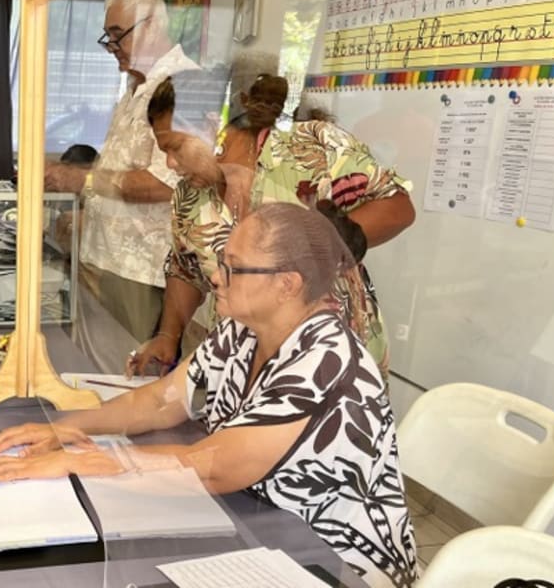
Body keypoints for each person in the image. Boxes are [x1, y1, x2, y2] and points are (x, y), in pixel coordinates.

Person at [0, 203, 419, 588]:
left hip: (332, 563)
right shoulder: (241, 329)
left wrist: (81, 462)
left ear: (287, 284)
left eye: (233, 266)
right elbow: (161, 401)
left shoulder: (327, 361)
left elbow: (213, 468)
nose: (215, 275)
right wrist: (63, 428)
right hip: (254, 529)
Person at [129, 74, 415, 379]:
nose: (171, 164)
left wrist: (322, 243)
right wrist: (168, 337)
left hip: (327, 360)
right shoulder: (190, 195)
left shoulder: (310, 148)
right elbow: (185, 268)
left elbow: (397, 206)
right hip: (240, 366)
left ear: (212, 126)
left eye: (175, 147)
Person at [44, 0, 200, 351]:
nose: (112, 48)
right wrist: (83, 206)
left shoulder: (183, 84)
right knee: (91, 366)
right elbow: (118, 165)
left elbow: (166, 184)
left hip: (140, 269)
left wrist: (82, 180)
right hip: (102, 255)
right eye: (108, 38)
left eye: (119, 36)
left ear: (153, 26)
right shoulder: (134, 85)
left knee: (124, 370)